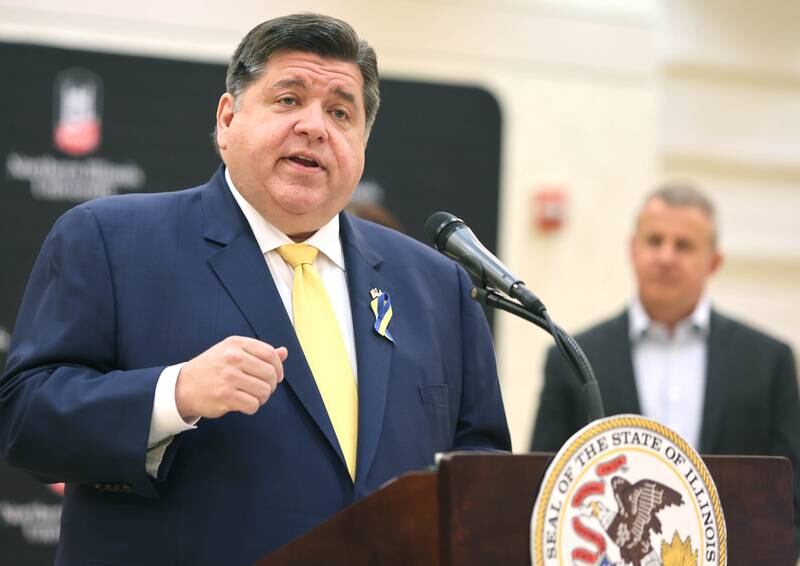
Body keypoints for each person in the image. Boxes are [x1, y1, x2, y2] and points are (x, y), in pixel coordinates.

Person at [0, 14, 510, 565]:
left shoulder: (437, 285)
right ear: (227, 120)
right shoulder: (110, 240)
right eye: (288, 100)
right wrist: (174, 395)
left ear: (362, 144)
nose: (316, 127)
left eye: (341, 112)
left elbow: (480, 472)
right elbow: (27, 421)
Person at [530, 183, 800, 558]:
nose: (666, 256)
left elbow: (791, 498)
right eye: (654, 241)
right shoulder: (572, 357)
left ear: (714, 261)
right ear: (632, 249)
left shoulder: (769, 362)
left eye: (684, 245)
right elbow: (544, 483)